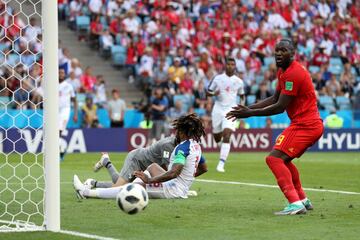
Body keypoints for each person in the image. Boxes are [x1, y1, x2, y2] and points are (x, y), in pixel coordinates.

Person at [226, 39, 324, 215]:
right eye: (277, 50)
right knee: (283, 160)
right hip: (304, 124)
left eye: (283, 50)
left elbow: (280, 107)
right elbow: (274, 98)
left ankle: (294, 203)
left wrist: (249, 114)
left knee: (274, 159)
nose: (278, 53)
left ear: (292, 53)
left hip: (306, 125)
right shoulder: (283, 71)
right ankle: (301, 199)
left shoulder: (294, 73)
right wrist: (248, 108)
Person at [73, 114, 207, 199]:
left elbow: (173, 173)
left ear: (182, 131)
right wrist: (185, 181)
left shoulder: (182, 147)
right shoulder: (195, 146)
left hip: (173, 188)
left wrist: (149, 180)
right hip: (137, 159)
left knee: (127, 189)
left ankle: (86, 191)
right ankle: (106, 164)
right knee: (148, 170)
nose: (176, 132)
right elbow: (201, 168)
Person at [207, 57, 245, 172]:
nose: (230, 66)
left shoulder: (239, 81)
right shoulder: (218, 78)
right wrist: (214, 93)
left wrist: (241, 108)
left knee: (227, 134)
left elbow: (242, 95)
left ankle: (221, 163)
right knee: (216, 135)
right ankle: (222, 149)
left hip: (231, 109)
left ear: (235, 66)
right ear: (225, 66)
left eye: (232, 65)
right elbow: (208, 92)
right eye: (228, 64)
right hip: (218, 109)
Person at [59, 68, 78, 160]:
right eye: (59, 72)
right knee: (56, 132)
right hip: (54, 111)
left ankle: (61, 150)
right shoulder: (52, 85)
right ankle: (61, 149)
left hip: (65, 110)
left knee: (59, 131)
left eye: (62, 72)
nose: (61, 74)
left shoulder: (68, 86)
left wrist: (75, 114)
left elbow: (74, 100)